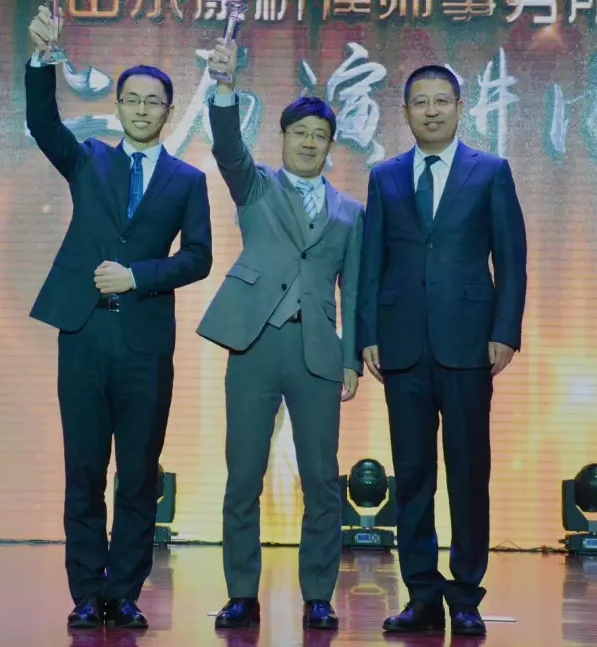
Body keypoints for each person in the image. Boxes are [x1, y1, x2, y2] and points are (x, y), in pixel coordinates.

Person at [26, 6, 213, 630]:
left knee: (137, 474)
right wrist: (42, 59)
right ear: (118, 105)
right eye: (131, 99)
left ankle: (124, 592)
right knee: (83, 469)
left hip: (144, 341)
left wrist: (139, 276)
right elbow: (41, 120)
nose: (141, 109)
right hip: (84, 332)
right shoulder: (89, 160)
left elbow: (199, 257)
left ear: (168, 111)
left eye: (153, 101)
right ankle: (86, 591)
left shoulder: (187, 180)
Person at [195, 37, 363, 632]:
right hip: (255, 344)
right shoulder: (257, 185)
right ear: (284, 137)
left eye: (320, 136)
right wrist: (224, 86)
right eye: (300, 133)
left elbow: (354, 291)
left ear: (331, 145)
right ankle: (242, 593)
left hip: (317, 351)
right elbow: (226, 146)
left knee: (322, 479)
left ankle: (318, 595)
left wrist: (351, 360)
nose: (309, 142)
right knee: (243, 475)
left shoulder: (351, 213)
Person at [357, 64, 528, 637]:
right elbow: (371, 262)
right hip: (402, 345)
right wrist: (367, 333)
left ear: (460, 106)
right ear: (405, 111)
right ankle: (422, 595)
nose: (431, 111)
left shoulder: (491, 171)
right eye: (420, 102)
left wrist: (505, 331)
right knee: (412, 475)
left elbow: (511, 258)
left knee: (468, 472)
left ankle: (467, 594)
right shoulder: (384, 176)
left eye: (442, 101)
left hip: (468, 344)